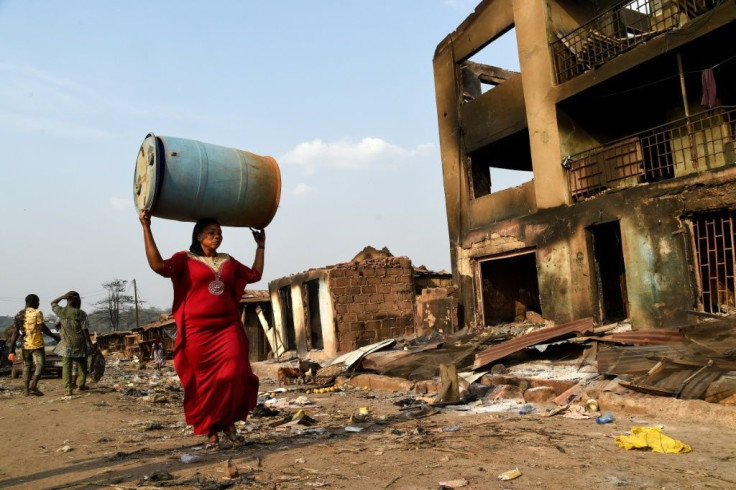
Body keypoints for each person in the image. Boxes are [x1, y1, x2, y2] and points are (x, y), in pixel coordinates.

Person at [139, 209, 265, 450]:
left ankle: (228, 422)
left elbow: (254, 275)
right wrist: (147, 227)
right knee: (205, 381)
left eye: (219, 233)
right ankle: (213, 430)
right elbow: (158, 266)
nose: (217, 236)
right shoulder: (184, 259)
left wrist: (261, 246)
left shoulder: (228, 260)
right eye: (211, 232)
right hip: (197, 331)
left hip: (227, 328)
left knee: (235, 372)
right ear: (199, 236)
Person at [7, 294, 60, 396]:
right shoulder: (37, 313)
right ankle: (34, 385)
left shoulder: (18, 314)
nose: (39, 304)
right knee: (41, 364)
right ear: (32, 302)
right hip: (37, 344)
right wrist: (55, 337)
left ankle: (26, 391)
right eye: (38, 302)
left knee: (27, 365)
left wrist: (11, 348)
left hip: (24, 344)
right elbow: (43, 328)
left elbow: (15, 332)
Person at [51, 291, 93, 396]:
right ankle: (81, 385)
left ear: (67, 299)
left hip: (66, 344)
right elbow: (85, 330)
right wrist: (90, 343)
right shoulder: (81, 313)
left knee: (66, 366)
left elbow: (53, 303)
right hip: (79, 343)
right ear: (75, 300)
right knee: (82, 364)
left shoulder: (61, 311)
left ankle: (68, 389)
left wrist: (62, 296)